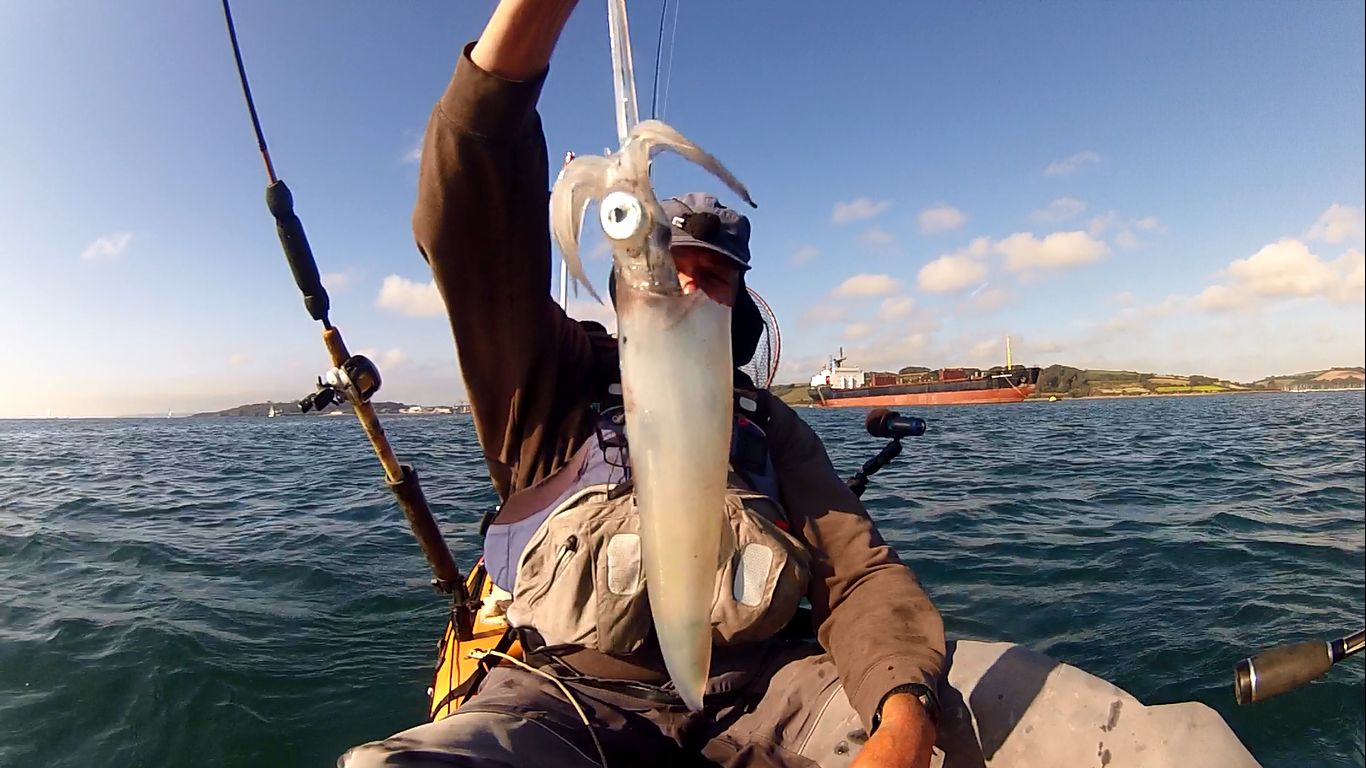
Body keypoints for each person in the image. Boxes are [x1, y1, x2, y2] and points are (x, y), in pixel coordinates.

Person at [340, 1, 944, 766]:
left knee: (951, 725)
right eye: (674, 267)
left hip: (757, 694)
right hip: (564, 697)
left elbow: (859, 574)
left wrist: (902, 716)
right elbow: (468, 226)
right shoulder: (552, 381)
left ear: (738, 307)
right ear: (625, 289)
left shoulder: (769, 425)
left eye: (713, 278)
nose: (686, 287)